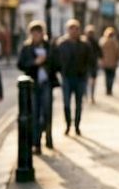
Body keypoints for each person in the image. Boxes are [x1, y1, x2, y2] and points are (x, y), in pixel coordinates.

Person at [17, 21, 57, 154]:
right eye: (33, 33)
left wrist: (47, 62)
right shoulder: (27, 48)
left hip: (46, 84)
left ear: (42, 33)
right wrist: (34, 63)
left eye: (38, 32)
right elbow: (21, 64)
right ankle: (36, 143)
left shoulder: (49, 46)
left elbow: (57, 63)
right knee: (34, 114)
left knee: (47, 112)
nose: (36, 35)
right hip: (33, 85)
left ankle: (48, 137)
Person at [52, 19, 92, 136]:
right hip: (67, 78)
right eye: (71, 29)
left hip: (80, 78)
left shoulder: (84, 44)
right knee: (66, 103)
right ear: (68, 30)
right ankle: (68, 124)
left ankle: (77, 126)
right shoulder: (61, 44)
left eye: (76, 29)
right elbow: (56, 60)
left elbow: (90, 60)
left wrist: (87, 73)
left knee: (79, 104)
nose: (74, 32)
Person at [99, 27, 119, 95]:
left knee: (107, 77)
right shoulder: (115, 42)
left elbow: (100, 51)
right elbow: (118, 52)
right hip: (111, 63)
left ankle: (108, 89)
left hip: (107, 62)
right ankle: (109, 89)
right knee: (111, 77)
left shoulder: (102, 41)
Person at [84, 25, 101, 103]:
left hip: (93, 64)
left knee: (92, 81)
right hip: (85, 64)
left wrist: (99, 59)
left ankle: (91, 96)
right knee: (86, 80)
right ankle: (85, 95)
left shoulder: (94, 42)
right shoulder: (83, 41)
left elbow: (99, 52)